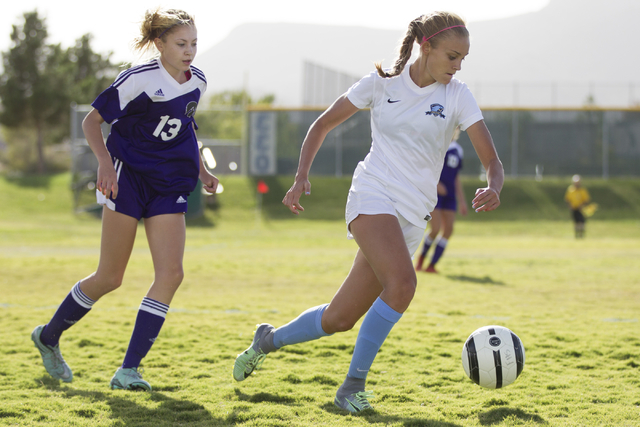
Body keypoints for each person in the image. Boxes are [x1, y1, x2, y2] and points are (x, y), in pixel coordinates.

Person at [233, 11, 504, 412]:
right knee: (403, 285)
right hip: (372, 195)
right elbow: (321, 125)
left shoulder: (458, 95)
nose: (458, 65)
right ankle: (350, 389)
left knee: (339, 318)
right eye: (452, 56)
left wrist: (493, 187)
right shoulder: (380, 84)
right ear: (425, 47)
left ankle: (267, 340)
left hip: (414, 216)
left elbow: (492, 161)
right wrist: (301, 176)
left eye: (463, 58)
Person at [31, 8, 217, 391]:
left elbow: (184, 131)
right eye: (181, 43)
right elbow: (91, 122)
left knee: (172, 273)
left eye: (194, 43)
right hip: (127, 178)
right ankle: (48, 336)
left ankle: (128, 370)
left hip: (168, 184)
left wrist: (202, 170)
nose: (189, 51)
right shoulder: (139, 79)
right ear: (160, 44)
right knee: (110, 277)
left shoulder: (197, 81)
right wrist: (104, 165)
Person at [415, 127, 468, 273]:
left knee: (448, 230)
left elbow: (456, 177)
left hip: (450, 196)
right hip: (434, 194)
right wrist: (436, 185)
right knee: (435, 229)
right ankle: (420, 261)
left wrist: (462, 200)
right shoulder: (436, 146)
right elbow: (425, 169)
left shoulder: (458, 150)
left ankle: (431, 266)